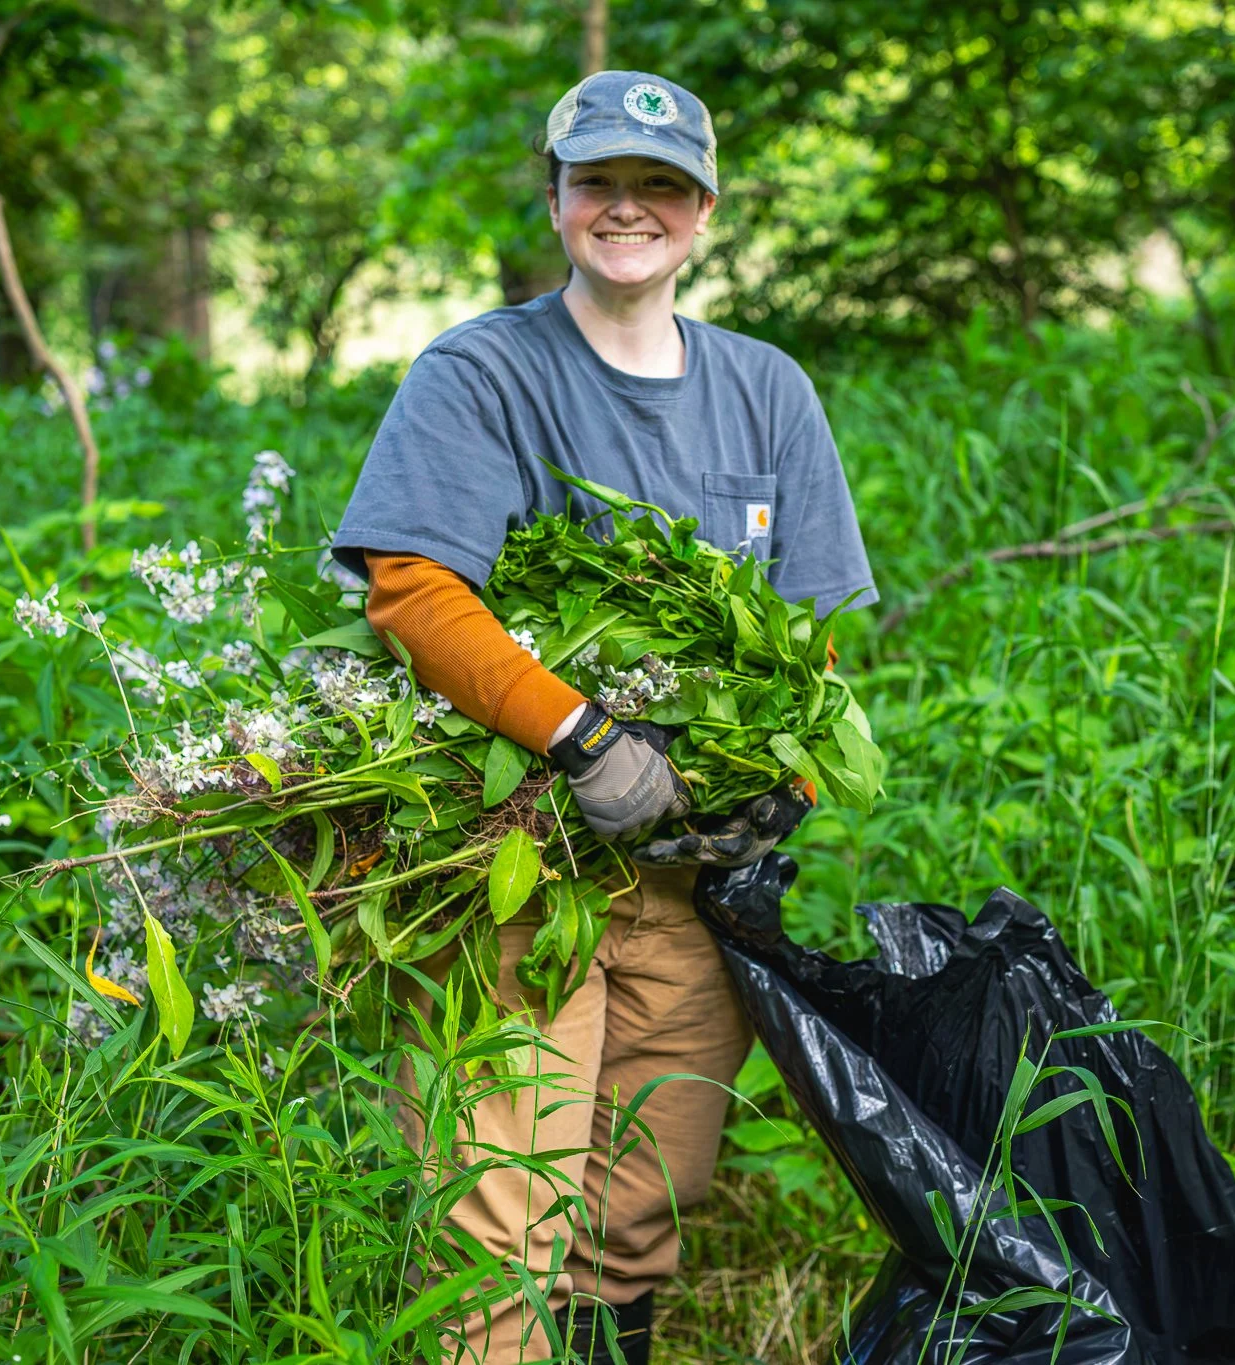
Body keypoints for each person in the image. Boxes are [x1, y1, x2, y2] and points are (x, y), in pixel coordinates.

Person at [331, 69, 876, 1365]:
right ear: (558, 196)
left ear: (703, 210)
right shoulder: (483, 372)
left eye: (661, 185)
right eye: (600, 182)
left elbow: (811, 635)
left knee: (649, 1193)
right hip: (511, 854)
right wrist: (578, 738)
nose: (629, 208)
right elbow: (411, 590)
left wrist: (779, 787)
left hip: (690, 877)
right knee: (495, 1212)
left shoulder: (765, 390)